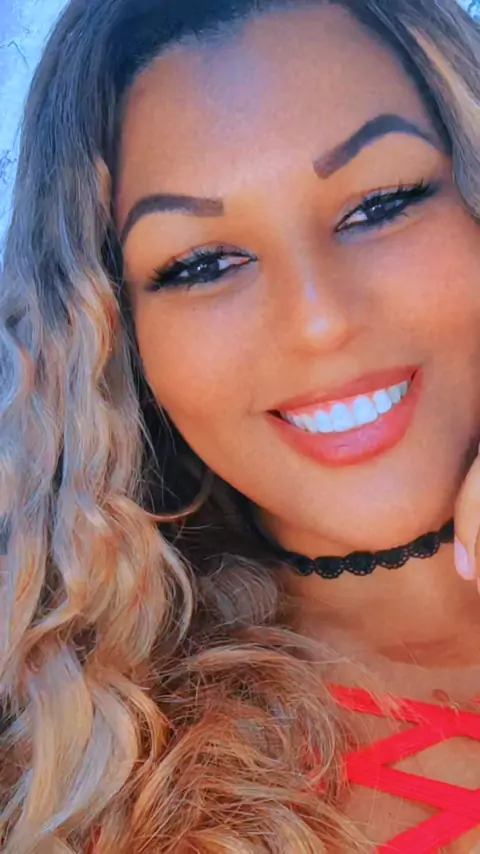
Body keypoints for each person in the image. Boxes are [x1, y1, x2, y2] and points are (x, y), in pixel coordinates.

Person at [2, 0, 480, 850]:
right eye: (203, 264)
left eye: (381, 204)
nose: (320, 321)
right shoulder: (70, 770)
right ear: (115, 339)